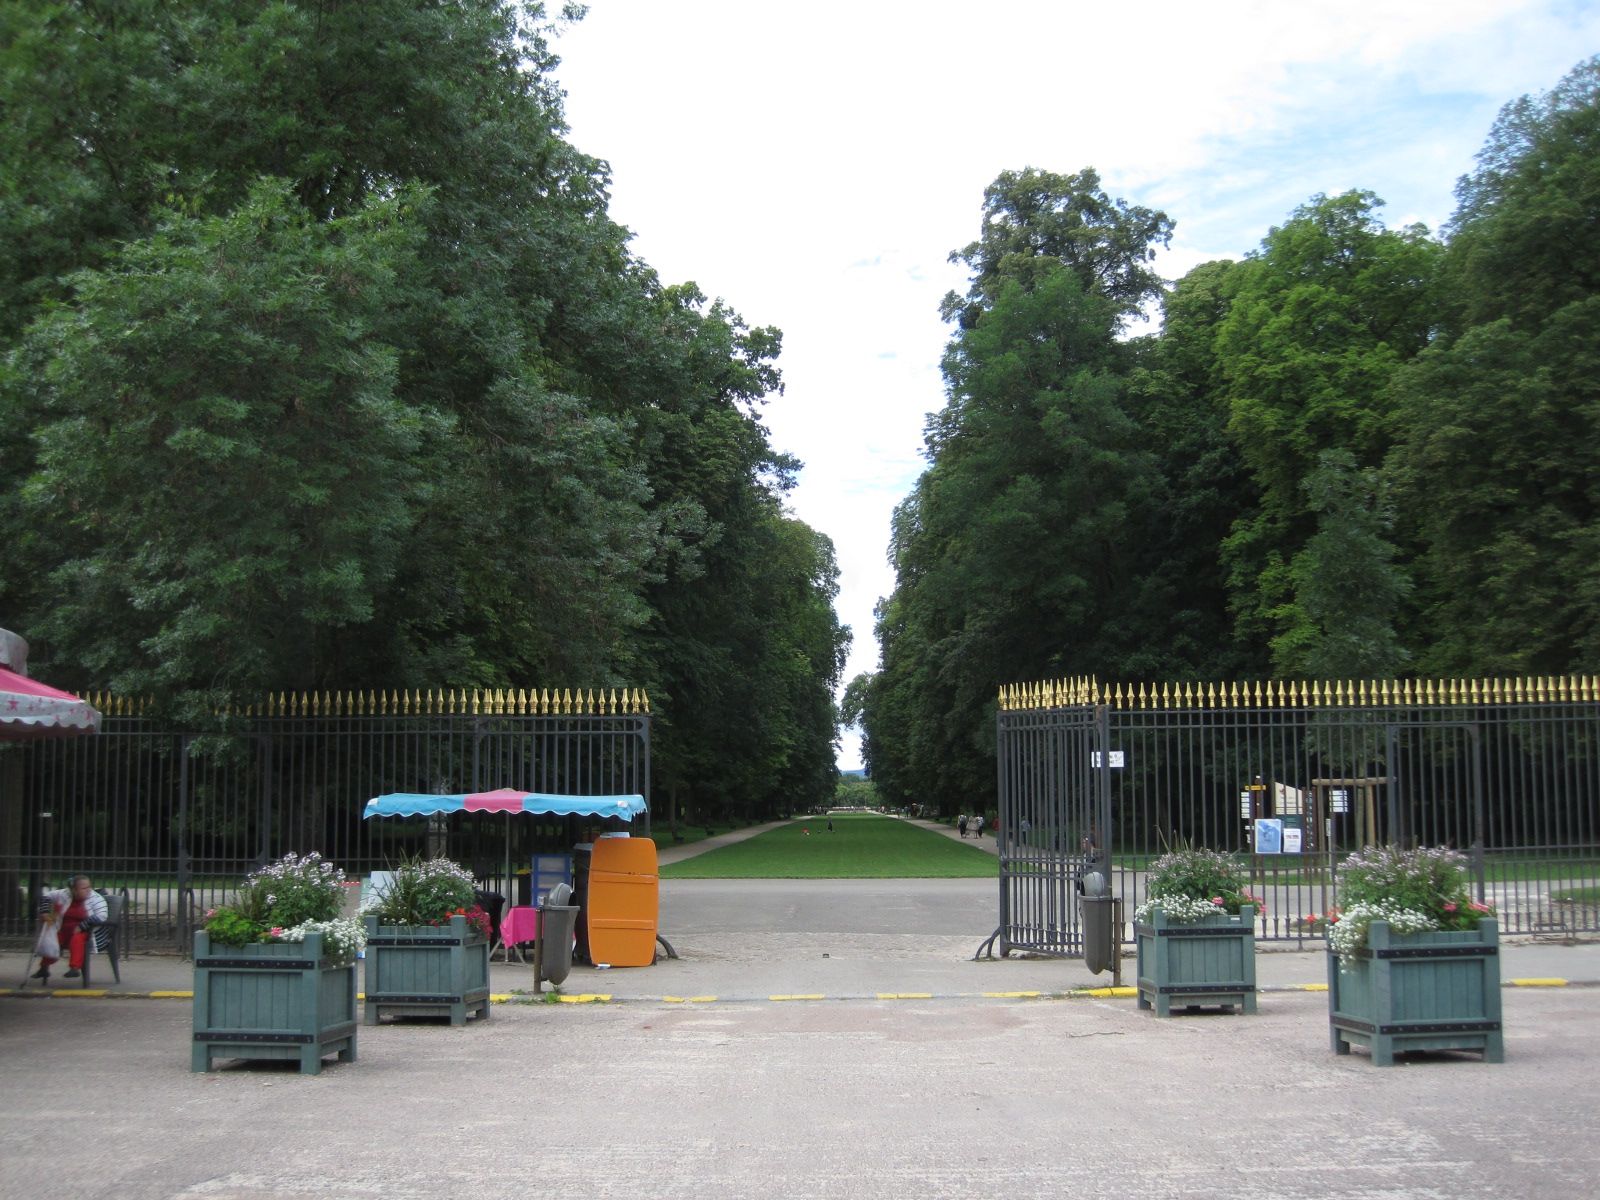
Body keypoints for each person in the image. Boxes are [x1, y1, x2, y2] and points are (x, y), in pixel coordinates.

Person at [32, 874, 107, 985]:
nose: (88, 890)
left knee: (76, 939)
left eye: (89, 887)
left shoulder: (96, 898)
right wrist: (45, 912)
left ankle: (75, 968)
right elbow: (47, 896)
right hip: (64, 929)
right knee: (51, 940)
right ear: (74, 890)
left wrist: (82, 926)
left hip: (85, 931)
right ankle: (44, 968)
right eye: (83, 888)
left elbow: (102, 916)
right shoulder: (64, 894)